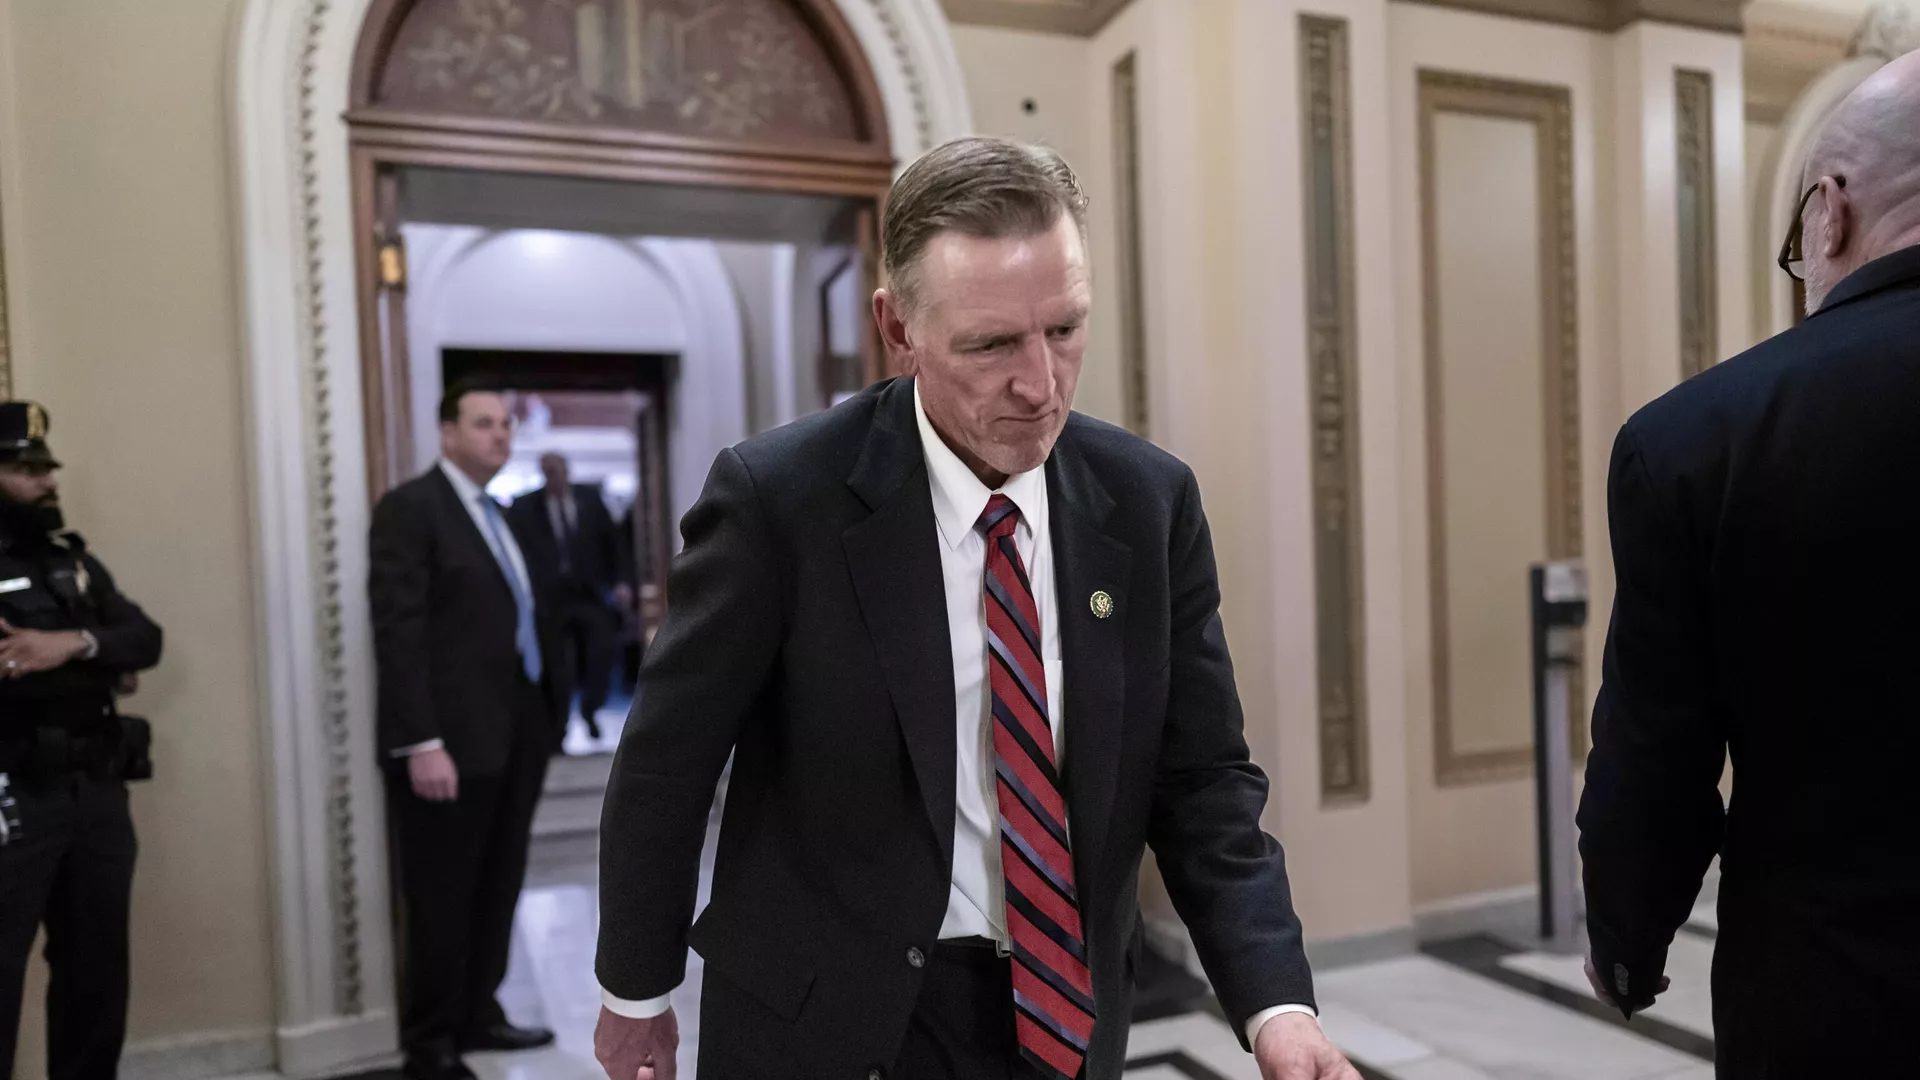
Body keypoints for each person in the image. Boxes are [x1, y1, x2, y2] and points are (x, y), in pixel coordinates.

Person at [592, 138, 1359, 1080]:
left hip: (1060, 1014)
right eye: (992, 344)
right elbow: (669, 761)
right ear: (898, 327)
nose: (1040, 385)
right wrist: (637, 992)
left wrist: (1276, 1005)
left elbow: (1201, 782)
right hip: (821, 1019)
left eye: (1066, 329)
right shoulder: (779, 500)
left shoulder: (1149, 503)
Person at [1578, 49, 1920, 1076]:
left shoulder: (1695, 440)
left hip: (1832, 1001)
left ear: (1829, 211)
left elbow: (1659, 753)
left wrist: (1627, 940)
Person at [369, 384, 563, 1080]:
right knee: (441, 894)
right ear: (447, 433)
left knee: (499, 881)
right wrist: (420, 741)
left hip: (517, 731)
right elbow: (399, 633)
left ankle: (481, 1012)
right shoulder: (411, 510)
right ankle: (432, 1041)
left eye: (506, 424)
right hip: (447, 744)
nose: (499, 435)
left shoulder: (503, 514)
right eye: (483, 424)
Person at [0, 400, 163, 1080]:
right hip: (16, 795)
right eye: (26, 469)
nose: (47, 482)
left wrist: (70, 644)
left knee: (96, 973)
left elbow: (145, 639)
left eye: (48, 467)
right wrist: (97, 664)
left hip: (95, 791)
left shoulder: (74, 560)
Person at [509, 452, 630, 743]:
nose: (553, 476)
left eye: (557, 470)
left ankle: (591, 709)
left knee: (601, 653)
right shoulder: (525, 508)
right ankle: (558, 727)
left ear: (567, 471)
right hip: (549, 602)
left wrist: (621, 582)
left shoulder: (590, 500)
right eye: (547, 471)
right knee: (557, 666)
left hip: (589, 595)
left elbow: (614, 544)